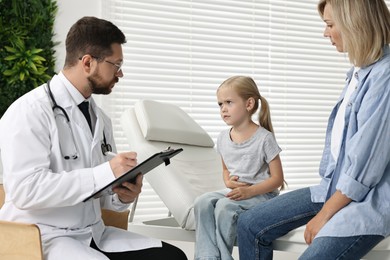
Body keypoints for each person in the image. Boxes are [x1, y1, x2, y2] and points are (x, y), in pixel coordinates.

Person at [0, 16, 187, 260]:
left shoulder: (100, 118)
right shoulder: (29, 111)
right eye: (116, 65)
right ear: (88, 62)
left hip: (93, 232)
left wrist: (122, 195)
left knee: (173, 257)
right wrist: (106, 172)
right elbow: (26, 191)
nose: (120, 74)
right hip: (42, 237)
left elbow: (103, 199)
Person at [237, 0, 390, 259]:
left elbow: (366, 168)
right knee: (249, 224)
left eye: (330, 24)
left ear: (356, 24)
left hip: (368, 200)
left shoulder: (384, 77)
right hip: (335, 187)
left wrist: (324, 215)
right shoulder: (357, 73)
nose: (325, 33)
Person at [193, 76, 285, 260]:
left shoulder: (264, 138)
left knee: (224, 207)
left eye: (228, 102)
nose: (223, 109)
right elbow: (226, 170)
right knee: (202, 202)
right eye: (220, 104)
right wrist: (228, 181)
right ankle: (207, 257)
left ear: (249, 103)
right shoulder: (222, 137)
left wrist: (249, 191)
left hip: (262, 195)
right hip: (236, 192)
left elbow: (277, 180)